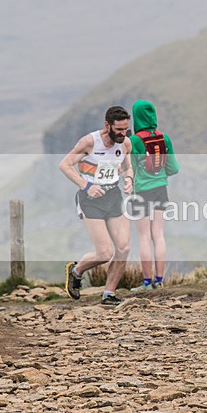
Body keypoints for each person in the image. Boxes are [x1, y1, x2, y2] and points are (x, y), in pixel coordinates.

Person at [59, 106, 134, 305]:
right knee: (105, 253)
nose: (123, 134)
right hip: (90, 199)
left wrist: (129, 179)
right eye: (119, 130)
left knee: (124, 248)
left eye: (126, 129)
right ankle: (76, 271)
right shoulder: (89, 142)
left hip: (113, 196)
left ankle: (108, 294)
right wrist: (86, 186)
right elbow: (65, 165)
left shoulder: (125, 143)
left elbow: (127, 166)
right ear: (107, 125)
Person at [127, 100, 180, 291]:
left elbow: (130, 168)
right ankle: (160, 280)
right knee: (158, 235)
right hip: (161, 189)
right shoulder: (164, 138)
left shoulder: (134, 141)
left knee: (144, 237)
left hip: (141, 191)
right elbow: (173, 168)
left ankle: (147, 283)